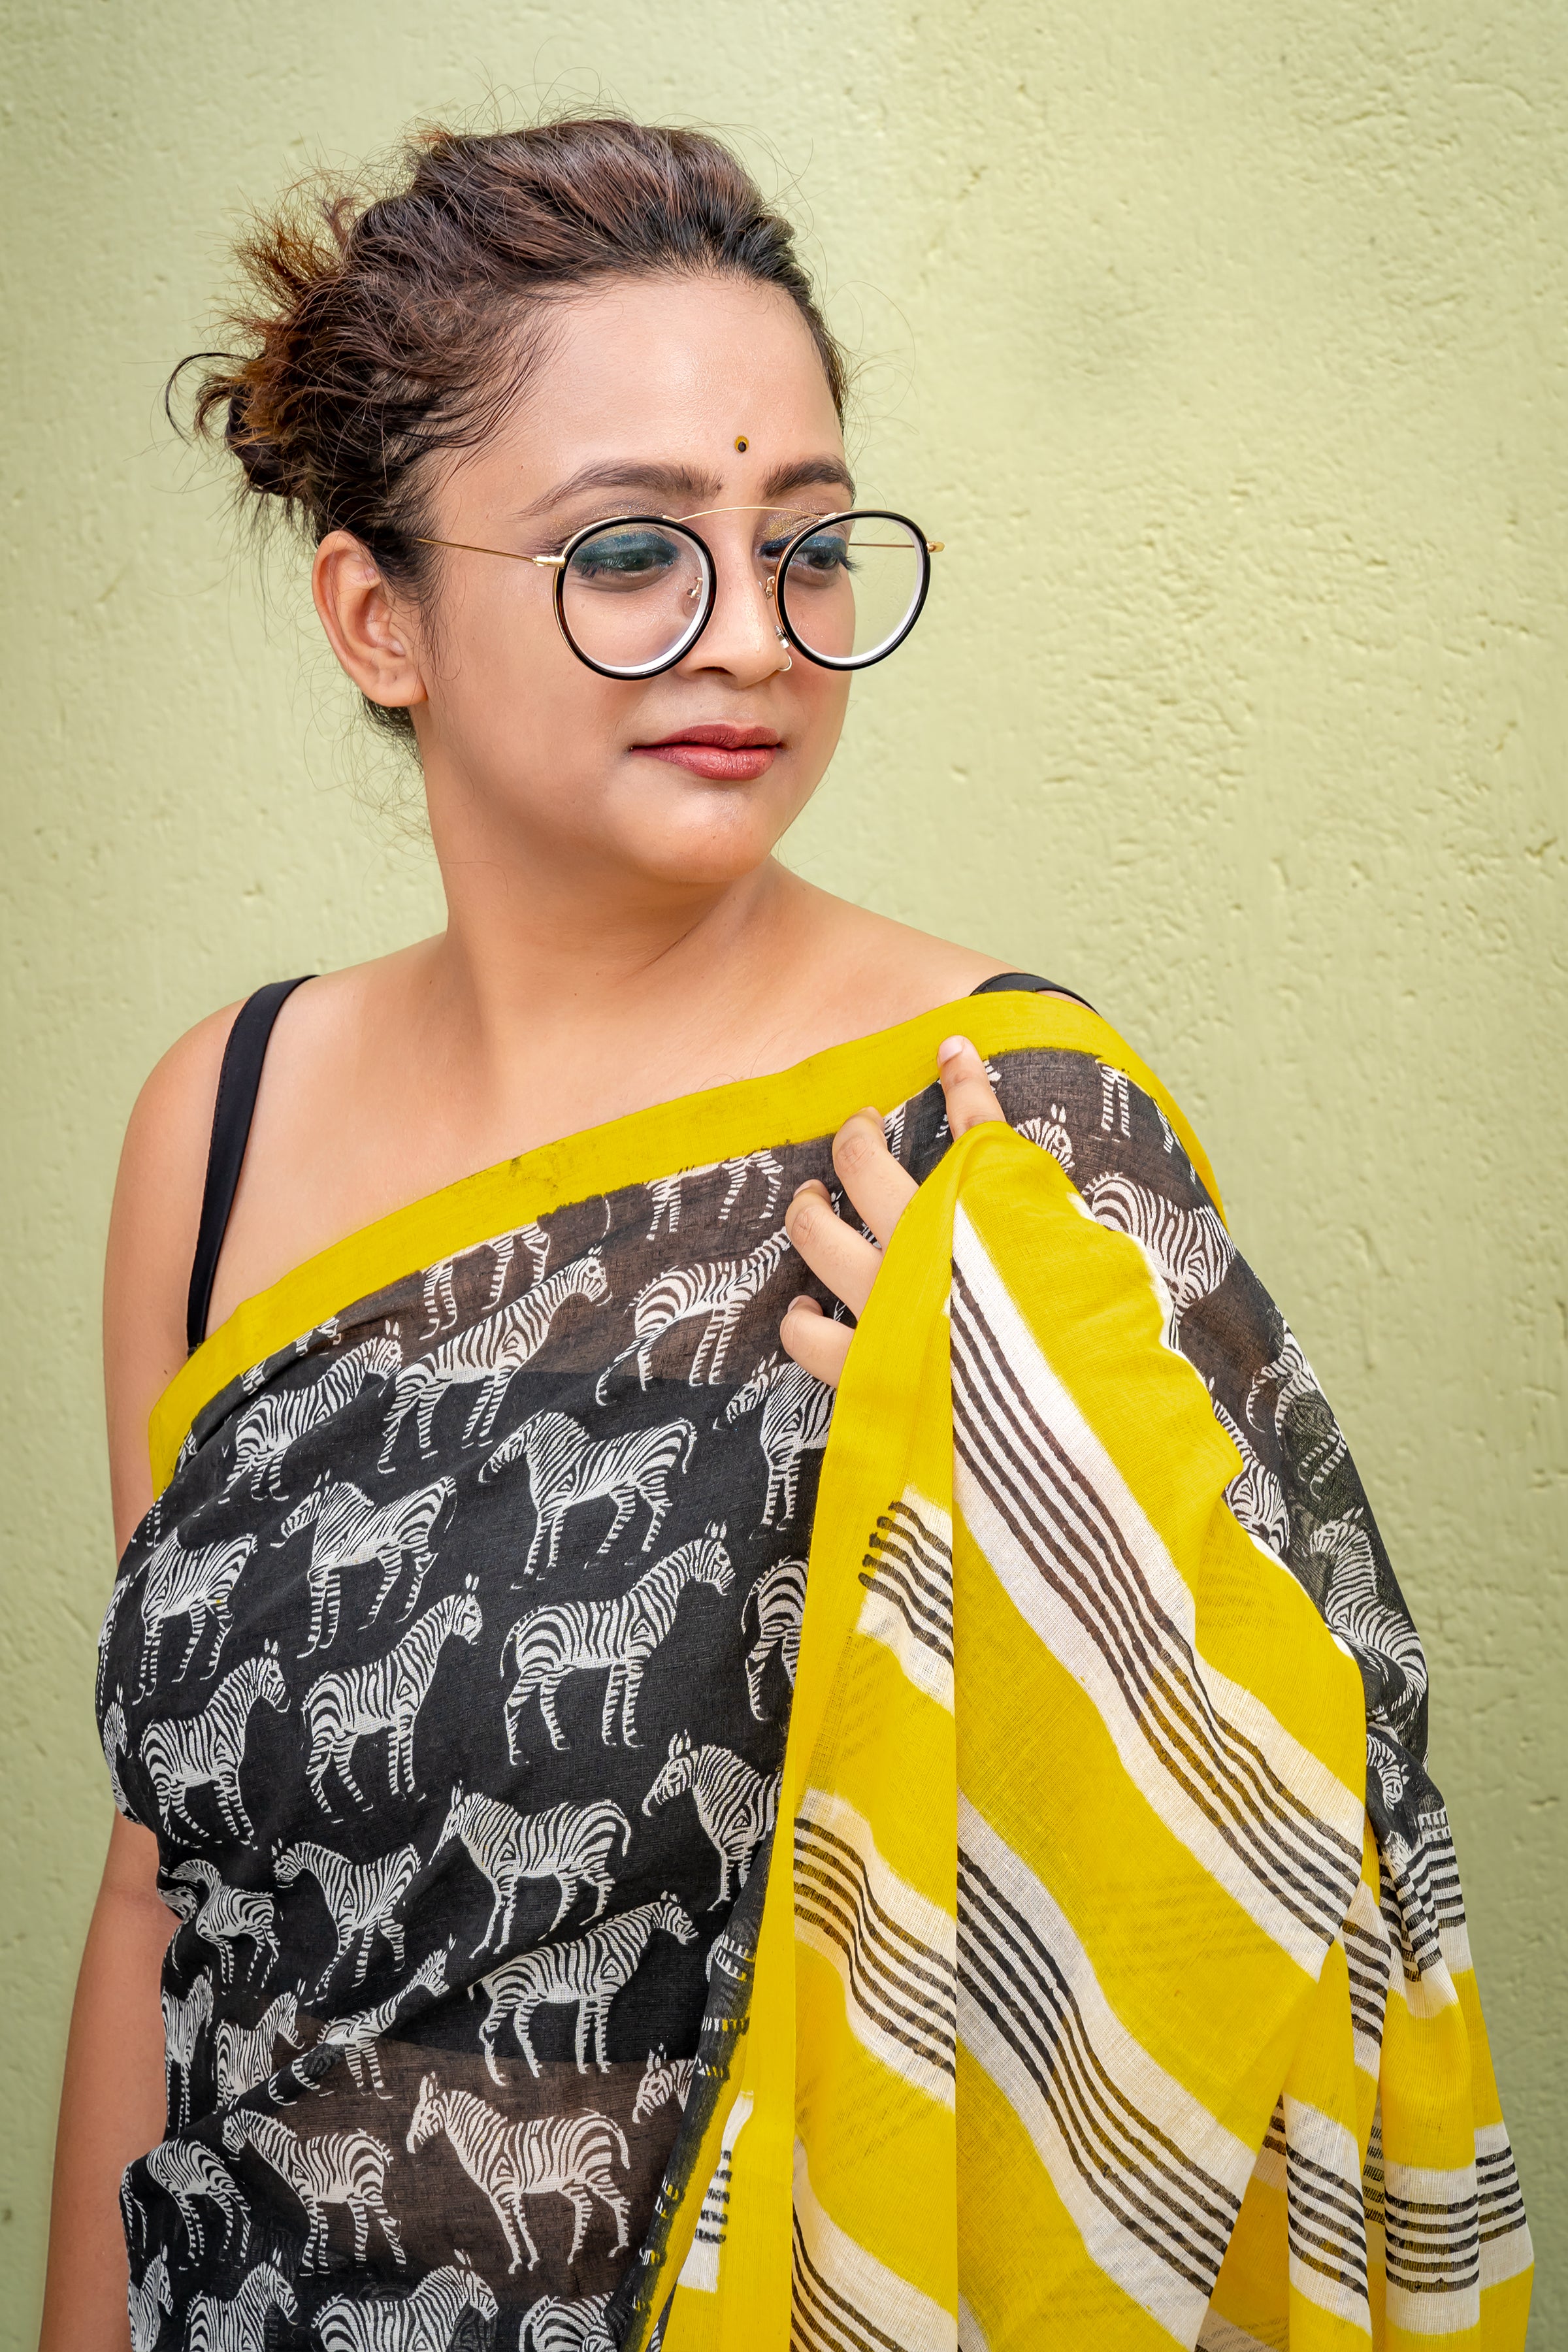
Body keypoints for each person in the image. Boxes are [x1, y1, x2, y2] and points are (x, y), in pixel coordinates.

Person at [41, 116, 1529, 2352]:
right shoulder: (221, 1119)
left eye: (810, 546)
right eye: (634, 550)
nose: (753, 635)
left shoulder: (988, 1133)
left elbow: (1302, 1836)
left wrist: (1010, 1446)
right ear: (378, 615)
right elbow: (162, 1882)